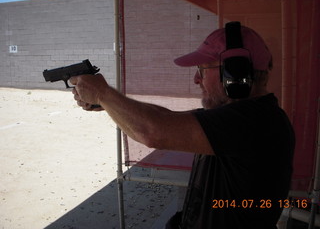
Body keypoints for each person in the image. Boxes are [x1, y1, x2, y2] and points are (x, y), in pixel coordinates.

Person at [70, 22, 295, 229]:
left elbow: (153, 131)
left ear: (234, 73)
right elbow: (164, 117)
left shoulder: (254, 120)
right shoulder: (241, 116)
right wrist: (108, 104)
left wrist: (103, 94)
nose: (197, 79)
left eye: (203, 69)